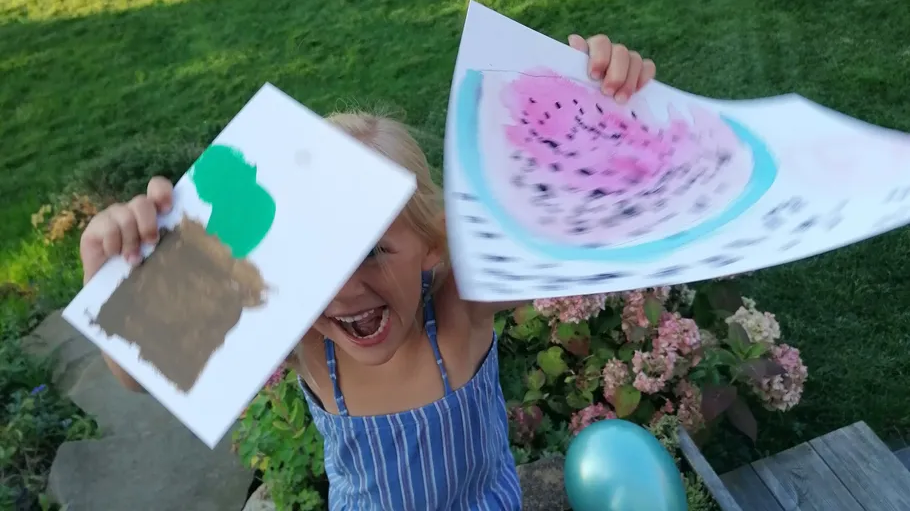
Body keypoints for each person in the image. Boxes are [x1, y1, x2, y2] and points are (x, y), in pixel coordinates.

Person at [79, 34, 656, 510]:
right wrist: (118, 275)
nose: (347, 289)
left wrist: (601, 93)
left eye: (375, 251)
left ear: (433, 245)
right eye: (322, 258)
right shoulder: (302, 331)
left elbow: (574, 217)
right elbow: (138, 374)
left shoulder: (462, 309)